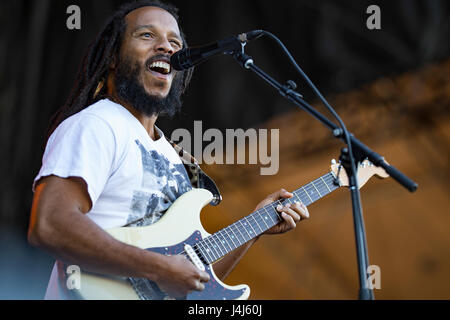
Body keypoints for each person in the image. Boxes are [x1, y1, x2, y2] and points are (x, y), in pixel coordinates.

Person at [28, 0, 310, 300]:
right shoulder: (97, 124)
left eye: (174, 41)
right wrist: (159, 268)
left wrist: (255, 225)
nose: (166, 47)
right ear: (112, 57)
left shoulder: (171, 155)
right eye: (147, 35)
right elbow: (50, 225)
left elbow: (192, 281)